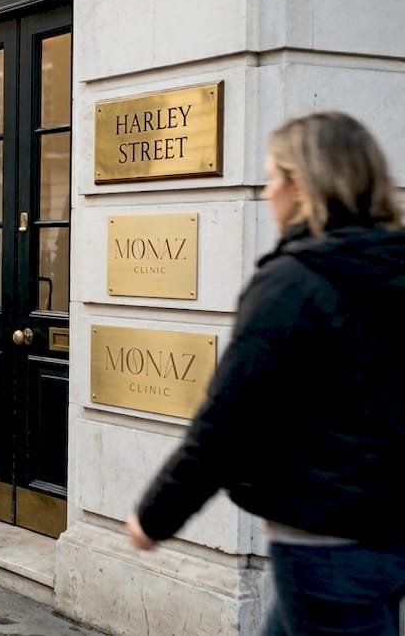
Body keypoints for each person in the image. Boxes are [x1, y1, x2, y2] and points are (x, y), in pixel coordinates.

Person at [126, 110, 405, 635]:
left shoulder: (293, 283)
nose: (268, 191)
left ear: (302, 185)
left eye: (273, 176)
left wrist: (155, 516)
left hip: (323, 540)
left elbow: (230, 420)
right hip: (385, 535)